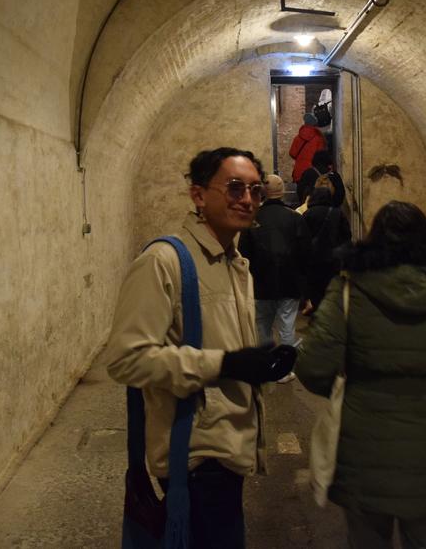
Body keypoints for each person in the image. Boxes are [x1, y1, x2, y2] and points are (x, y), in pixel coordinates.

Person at [104, 147, 297, 549]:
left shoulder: (235, 262)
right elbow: (126, 359)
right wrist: (224, 364)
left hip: (227, 447)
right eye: (235, 188)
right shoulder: (164, 261)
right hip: (196, 454)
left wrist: (256, 363)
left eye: (256, 190)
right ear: (198, 195)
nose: (247, 199)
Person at [295, 201, 426, 549]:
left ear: (374, 238)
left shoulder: (349, 289)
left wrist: (347, 390)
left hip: (364, 454)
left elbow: (312, 366)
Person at [238, 175, 311, 384]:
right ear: (283, 192)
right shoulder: (295, 218)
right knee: (287, 326)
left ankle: (266, 366)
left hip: (260, 283)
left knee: (262, 326)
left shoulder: (252, 219)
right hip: (289, 281)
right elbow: (305, 252)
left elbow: (244, 254)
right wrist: (304, 284)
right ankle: (284, 370)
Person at [302, 187, 351, 311]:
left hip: (313, 259)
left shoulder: (308, 214)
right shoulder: (337, 213)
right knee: (330, 287)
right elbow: (347, 235)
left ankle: (318, 310)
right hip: (332, 258)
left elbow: (301, 237)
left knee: (315, 287)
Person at [288, 112, 327, 183]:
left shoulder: (297, 138)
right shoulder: (319, 139)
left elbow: (292, 153)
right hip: (313, 173)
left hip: (299, 172)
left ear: (305, 123)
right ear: (314, 124)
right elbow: (322, 157)